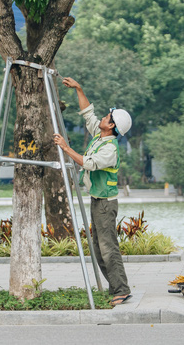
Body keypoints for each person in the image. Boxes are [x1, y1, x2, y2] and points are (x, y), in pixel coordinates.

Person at [53, 77, 133, 306]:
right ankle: (115, 287)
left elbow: (88, 163)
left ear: (112, 127)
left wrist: (65, 147)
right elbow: (88, 113)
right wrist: (78, 88)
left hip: (106, 204)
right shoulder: (101, 137)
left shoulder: (110, 149)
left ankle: (121, 289)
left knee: (108, 248)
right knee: (98, 248)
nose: (104, 118)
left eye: (108, 117)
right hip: (98, 200)